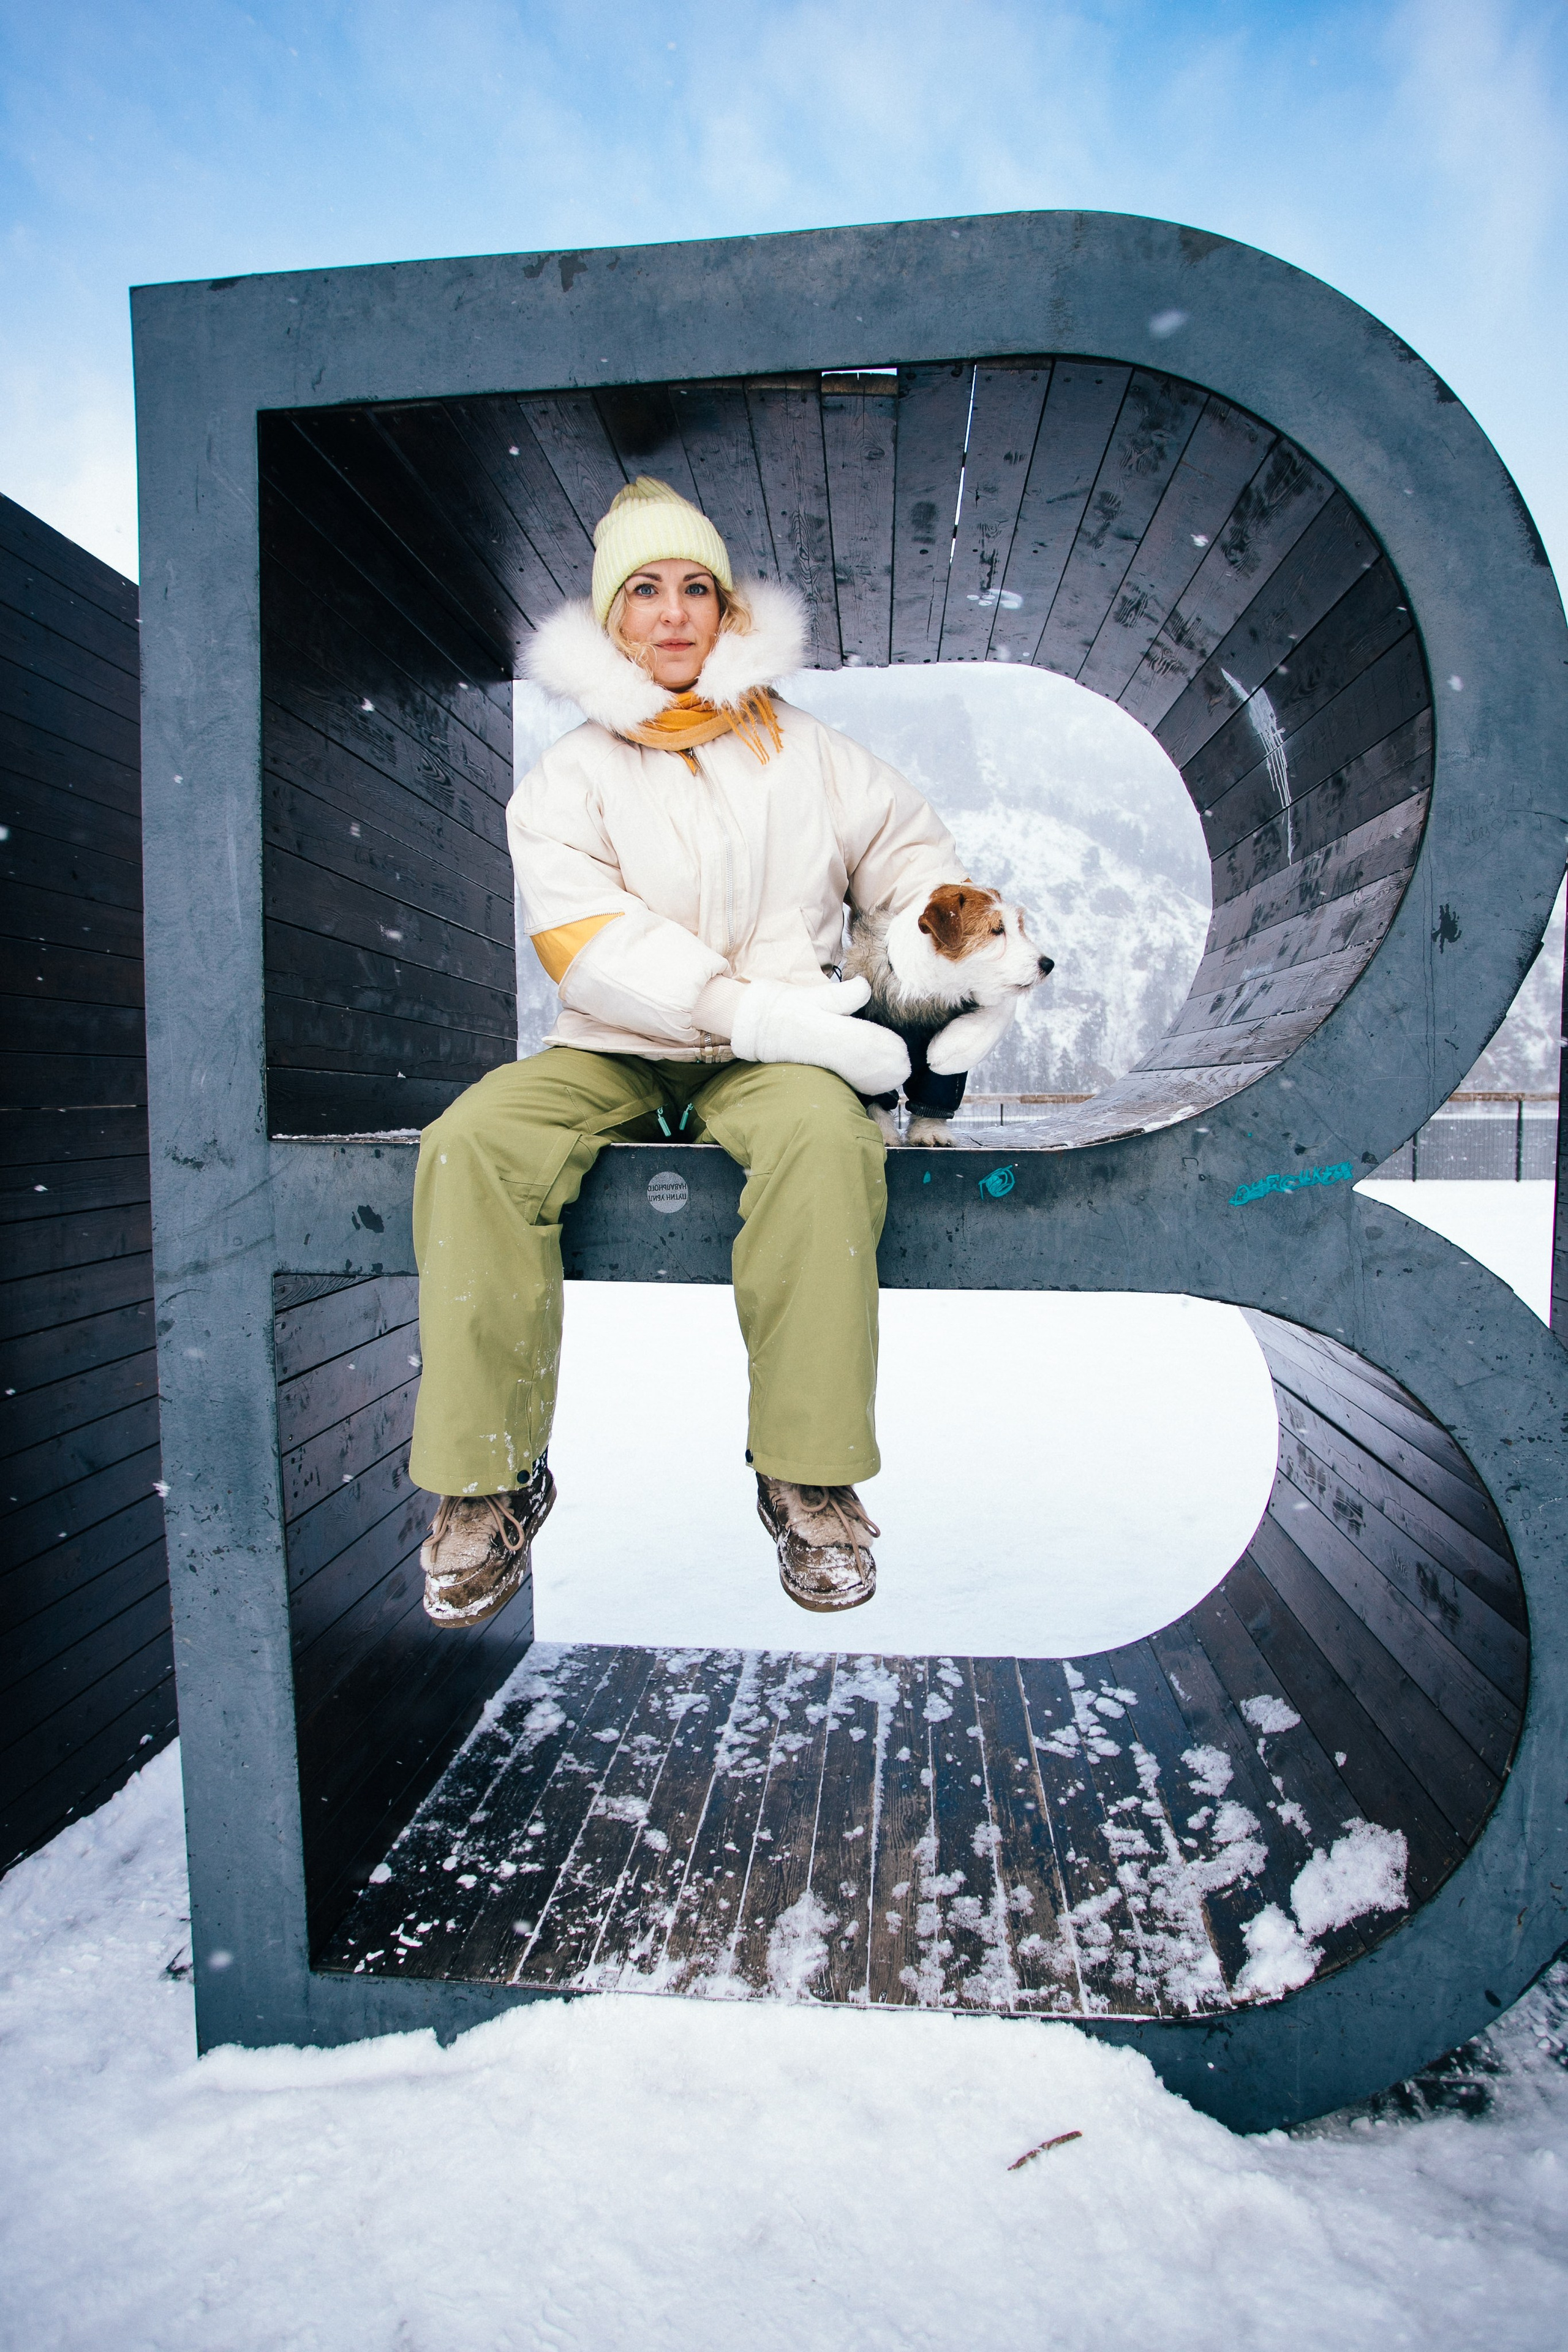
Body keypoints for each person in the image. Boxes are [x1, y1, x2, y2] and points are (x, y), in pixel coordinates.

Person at [410, 476, 1014, 1628]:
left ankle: (807, 1473)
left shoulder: (818, 758)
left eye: (698, 588)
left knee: (831, 1145)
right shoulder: (567, 780)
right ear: (612, 622)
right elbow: (585, 941)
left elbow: (910, 869)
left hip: (785, 1057)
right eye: (645, 591)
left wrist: (955, 949)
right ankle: (486, 1485)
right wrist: (739, 1007)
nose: (675, 612)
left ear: (730, 614)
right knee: (473, 1143)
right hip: (617, 1046)